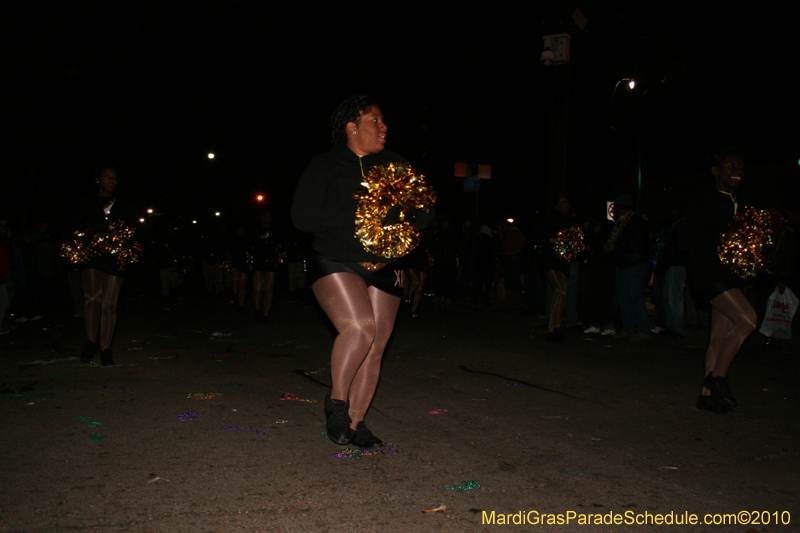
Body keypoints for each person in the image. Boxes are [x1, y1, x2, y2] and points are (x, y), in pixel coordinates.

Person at [292, 95, 434, 448]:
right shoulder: (325, 164)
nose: (383, 127)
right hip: (336, 259)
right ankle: (337, 401)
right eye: (375, 120)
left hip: (385, 264)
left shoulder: (395, 163)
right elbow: (303, 217)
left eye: (383, 121)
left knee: (376, 346)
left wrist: (398, 244)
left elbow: (423, 210)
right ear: (351, 127)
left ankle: (355, 423)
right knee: (360, 328)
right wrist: (362, 213)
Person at [680, 148, 757, 413]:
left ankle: (706, 395)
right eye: (730, 166)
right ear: (716, 171)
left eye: (740, 167)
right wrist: (721, 240)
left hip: (730, 276)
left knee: (718, 336)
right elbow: (686, 240)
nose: (737, 171)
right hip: (709, 274)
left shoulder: (742, 202)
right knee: (748, 320)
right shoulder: (704, 200)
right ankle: (718, 378)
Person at [72, 166, 135, 366]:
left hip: (115, 257)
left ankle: (105, 348)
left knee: (109, 303)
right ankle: (91, 341)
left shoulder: (124, 204)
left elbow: (134, 228)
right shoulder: (86, 202)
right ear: (98, 179)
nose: (112, 180)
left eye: (115, 177)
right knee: (92, 298)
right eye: (107, 176)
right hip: (93, 255)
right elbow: (76, 226)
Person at [604, 195, 652, 341]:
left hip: (634, 264)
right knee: (623, 297)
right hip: (624, 263)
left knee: (634, 297)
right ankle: (629, 328)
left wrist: (615, 246)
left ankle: (643, 330)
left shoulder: (636, 222)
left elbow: (638, 244)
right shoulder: (623, 222)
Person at [540, 196, 575, 342]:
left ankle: (556, 327)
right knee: (560, 290)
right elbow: (543, 238)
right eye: (560, 202)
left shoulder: (571, 221)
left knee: (561, 293)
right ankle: (552, 328)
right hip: (550, 258)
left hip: (563, 259)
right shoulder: (551, 219)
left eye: (565, 202)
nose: (563, 205)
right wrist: (563, 240)